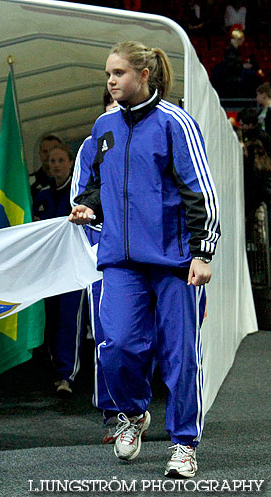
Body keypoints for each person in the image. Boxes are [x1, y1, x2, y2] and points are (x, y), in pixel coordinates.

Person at [70, 41, 220, 478]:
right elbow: (96, 185)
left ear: (144, 75)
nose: (111, 81)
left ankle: (184, 444)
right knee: (115, 346)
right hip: (120, 259)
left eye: (118, 73)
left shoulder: (176, 123)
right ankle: (132, 415)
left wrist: (201, 252)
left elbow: (199, 191)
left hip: (174, 261)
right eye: (107, 75)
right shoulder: (104, 126)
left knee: (180, 355)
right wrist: (87, 207)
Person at [70, 87, 120, 442]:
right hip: (102, 247)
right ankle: (114, 413)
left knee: (144, 336)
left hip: (150, 247)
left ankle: (145, 406)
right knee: (106, 334)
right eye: (112, 106)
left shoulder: (159, 132)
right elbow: (80, 197)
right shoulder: (91, 147)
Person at [33, 143, 85, 397]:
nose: (55, 165)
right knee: (51, 319)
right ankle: (53, 370)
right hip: (49, 268)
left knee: (69, 320)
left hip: (73, 266)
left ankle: (67, 374)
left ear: (71, 162)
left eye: (60, 160)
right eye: (51, 161)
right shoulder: (42, 194)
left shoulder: (78, 193)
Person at [30, 134, 62, 198]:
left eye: (53, 151)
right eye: (45, 151)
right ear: (40, 154)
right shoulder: (29, 183)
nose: (49, 155)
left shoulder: (74, 178)